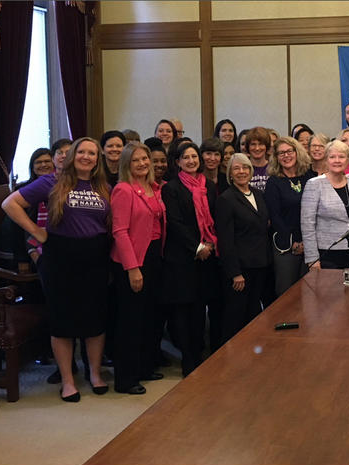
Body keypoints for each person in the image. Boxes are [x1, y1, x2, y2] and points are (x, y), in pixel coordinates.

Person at [2, 137, 112, 402]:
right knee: (62, 320)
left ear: (98, 160)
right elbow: (10, 204)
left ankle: (95, 374)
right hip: (60, 257)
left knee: (95, 319)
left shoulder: (103, 186)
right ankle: (68, 381)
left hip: (95, 256)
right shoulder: (52, 182)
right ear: (73, 155)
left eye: (92, 153)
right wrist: (37, 232)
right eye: (82, 152)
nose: (87, 157)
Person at [110, 143, 166, 395]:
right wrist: (133, 268)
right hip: (133, 259)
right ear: (126, 165)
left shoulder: (153, 188)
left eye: (145, 159)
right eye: (136, 161)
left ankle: (143, 368)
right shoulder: (123, 190)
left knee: (148, 318)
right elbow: (119, 231)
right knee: (130, 321)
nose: (143, 164)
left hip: (154, 256)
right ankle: (125, 378)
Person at [159, 142, 218, 377]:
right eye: (186, 157)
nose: (191, 161)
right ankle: (188, 358)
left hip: (208, 257)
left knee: (199, 308)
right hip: (182, 257)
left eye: (194, 156)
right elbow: (174, 222)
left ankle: (199, 352)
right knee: (184, 309)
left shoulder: (209, 186)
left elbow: (214, 217)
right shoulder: (171, 188)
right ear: (178, 162)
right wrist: (197, 247)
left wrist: (211, 243)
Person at [216, 153, 271, 344]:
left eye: (245, 167)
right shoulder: (226, 199)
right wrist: (234, 273)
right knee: (235, 316)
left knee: (253, 313)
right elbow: (225, 240)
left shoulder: (257, 194)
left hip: (260, 265)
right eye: (237, 168)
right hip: (240, 270)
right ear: (230, 173)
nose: (242, 172)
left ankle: (250, 355)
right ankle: (229, 359)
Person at [302, 140, 349, 270]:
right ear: (326, 160)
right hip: (327, 253)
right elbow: (307, 224)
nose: (337, 160)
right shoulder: (314, 184)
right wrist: (312, 259)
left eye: (341, 156)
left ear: (348, 160)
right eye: (332, 157)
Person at [266, 137, 313, 296]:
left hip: (310, 243)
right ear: (276, 157)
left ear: (297, 152)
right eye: (281, 153)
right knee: (286, 293)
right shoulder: (274, 182)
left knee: (309, 292)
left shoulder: (309, 176)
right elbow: (275, 216)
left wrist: (306, 241)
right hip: (286, 246)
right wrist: (294, 242)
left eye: (289, 151)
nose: (286, 156)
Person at [246, 126, 272, 192]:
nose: (257, 148)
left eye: (261, 144)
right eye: (253, 144)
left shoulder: (274, 168)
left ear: (266, 146)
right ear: (248, 147)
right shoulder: (243, 169)